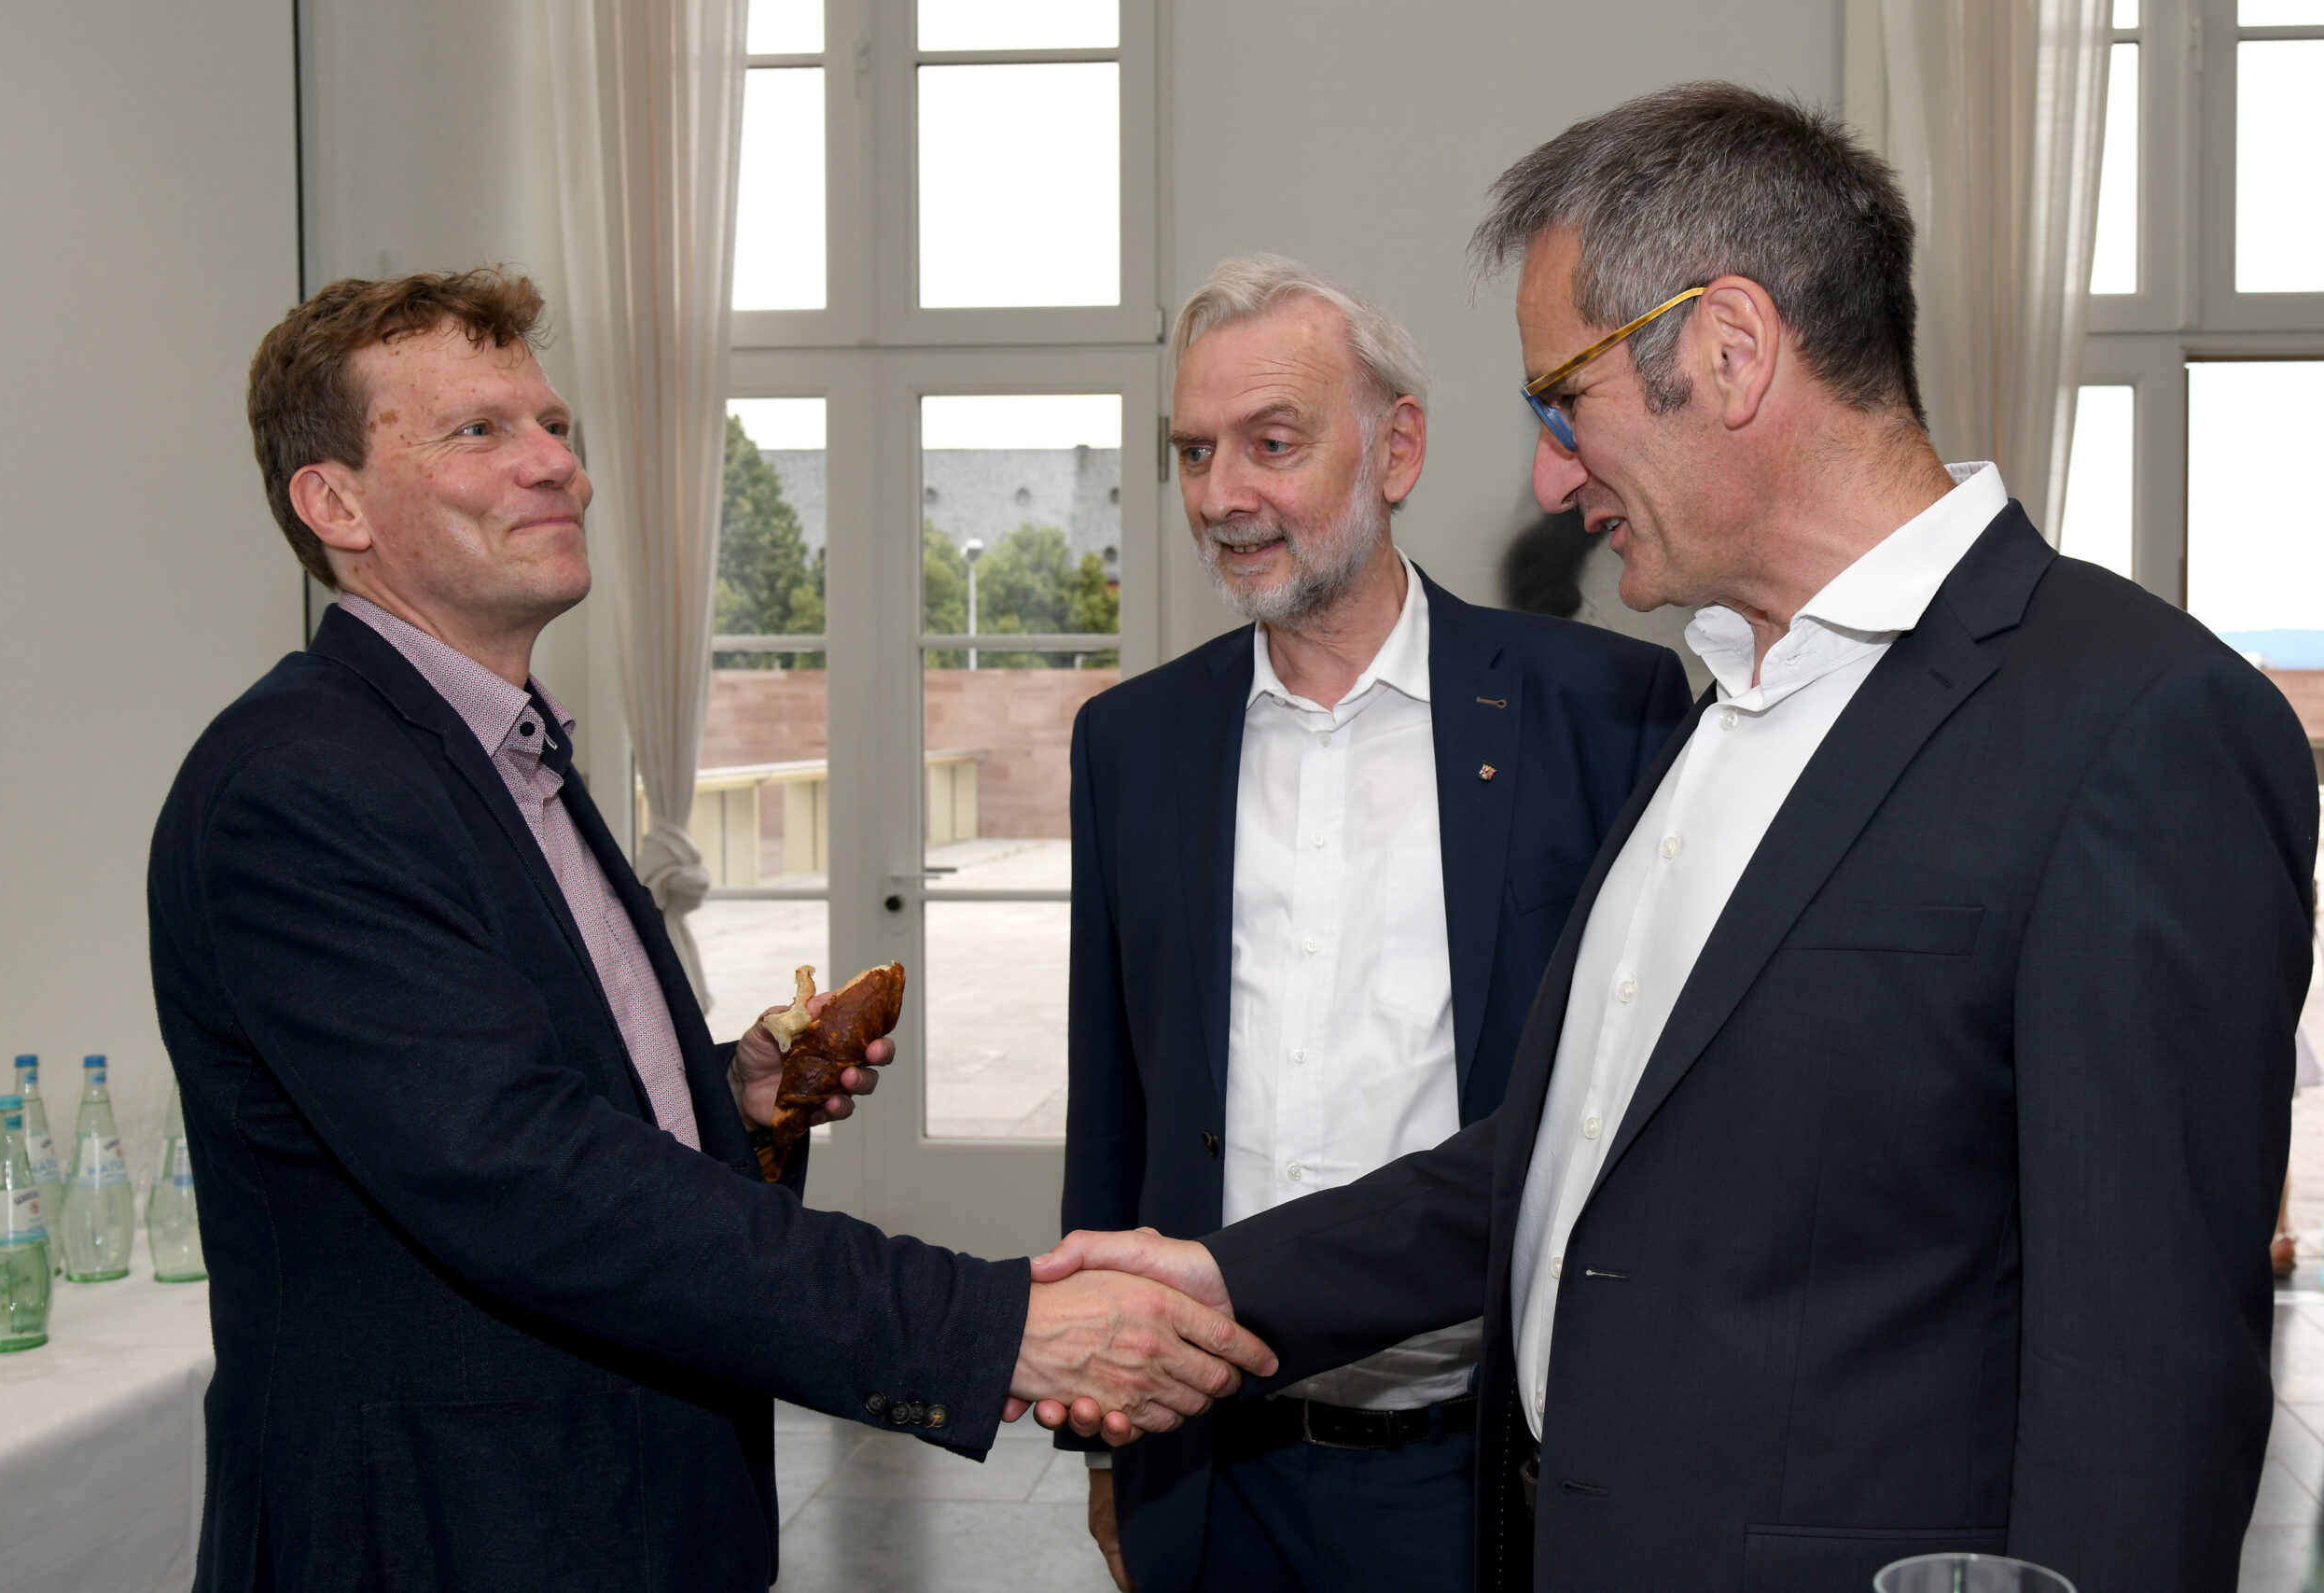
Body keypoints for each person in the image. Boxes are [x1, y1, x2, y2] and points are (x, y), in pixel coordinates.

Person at [1028, 84, 2318, 1592]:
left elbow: (2142, 1404)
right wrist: (1218, 1275)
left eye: (1562, 407)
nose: (1551, 478)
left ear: (1729, 350)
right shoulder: (1731, 705)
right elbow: (1569, 1155)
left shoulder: (2138, 724)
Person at [147, 270, 1275, 1593]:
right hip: (449, 1534)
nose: (556, 465)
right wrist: (995, 1331)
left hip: (625, 1510)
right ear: (335, 504)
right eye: (480, 433)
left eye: (555, 426)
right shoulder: (300, 786)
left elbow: (534, 1094)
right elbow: (528, 1177)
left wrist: (727, 1102)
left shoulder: (507, 755)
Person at [1061, 255, 1687, 1593]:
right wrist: (1105, 1446)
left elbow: (1642, 1124)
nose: (1223, 496)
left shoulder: (1605, 714)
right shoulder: (1134, 743)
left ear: (1395, 446)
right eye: (1193, 452)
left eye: (1271, 444)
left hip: (1474, 1478)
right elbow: (1112, 1103)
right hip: (1209, 1472)